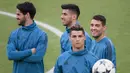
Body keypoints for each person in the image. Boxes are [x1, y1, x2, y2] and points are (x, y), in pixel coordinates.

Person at [6, 2, 48, 73]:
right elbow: (10, 55)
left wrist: (18, 54)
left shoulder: (42, 35)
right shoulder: (14, 34)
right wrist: (30, 51)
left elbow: (37, 57)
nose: (16, 17)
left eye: (19, 14)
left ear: (27, 15)